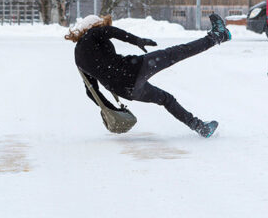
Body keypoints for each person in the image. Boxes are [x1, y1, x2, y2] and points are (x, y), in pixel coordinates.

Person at [66, 13, 231, 138]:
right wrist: (136, 40)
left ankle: (200, 127)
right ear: (93, 26)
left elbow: (91, 91)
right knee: (178, 52)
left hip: (127, 90)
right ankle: (218, 35)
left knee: (166, 99)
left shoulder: (78, 58)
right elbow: (110, 31)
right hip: (133, 70)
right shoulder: (92, 34)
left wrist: (113, 109)